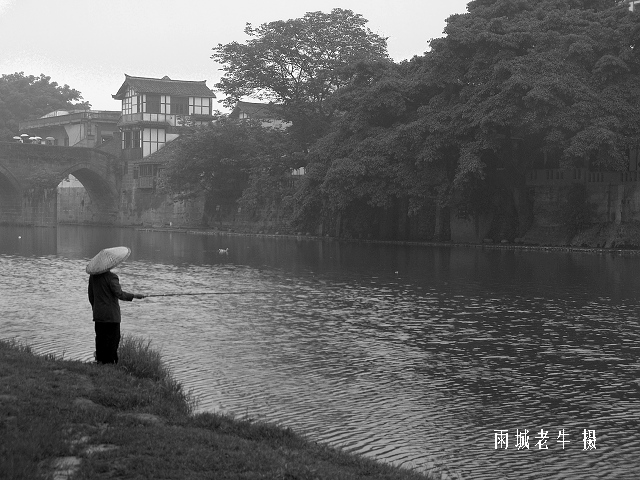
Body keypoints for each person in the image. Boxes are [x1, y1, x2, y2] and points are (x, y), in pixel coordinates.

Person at [86, 247, 145, 364]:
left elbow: (91, 296)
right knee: (113, 339)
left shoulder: (93, 277)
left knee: (100, 338)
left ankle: (100, 361)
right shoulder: (112, 277)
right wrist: (134, 295)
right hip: (111, 316)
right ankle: (111, 362)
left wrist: (96, 307)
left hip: (98, 314)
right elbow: (119, 294)